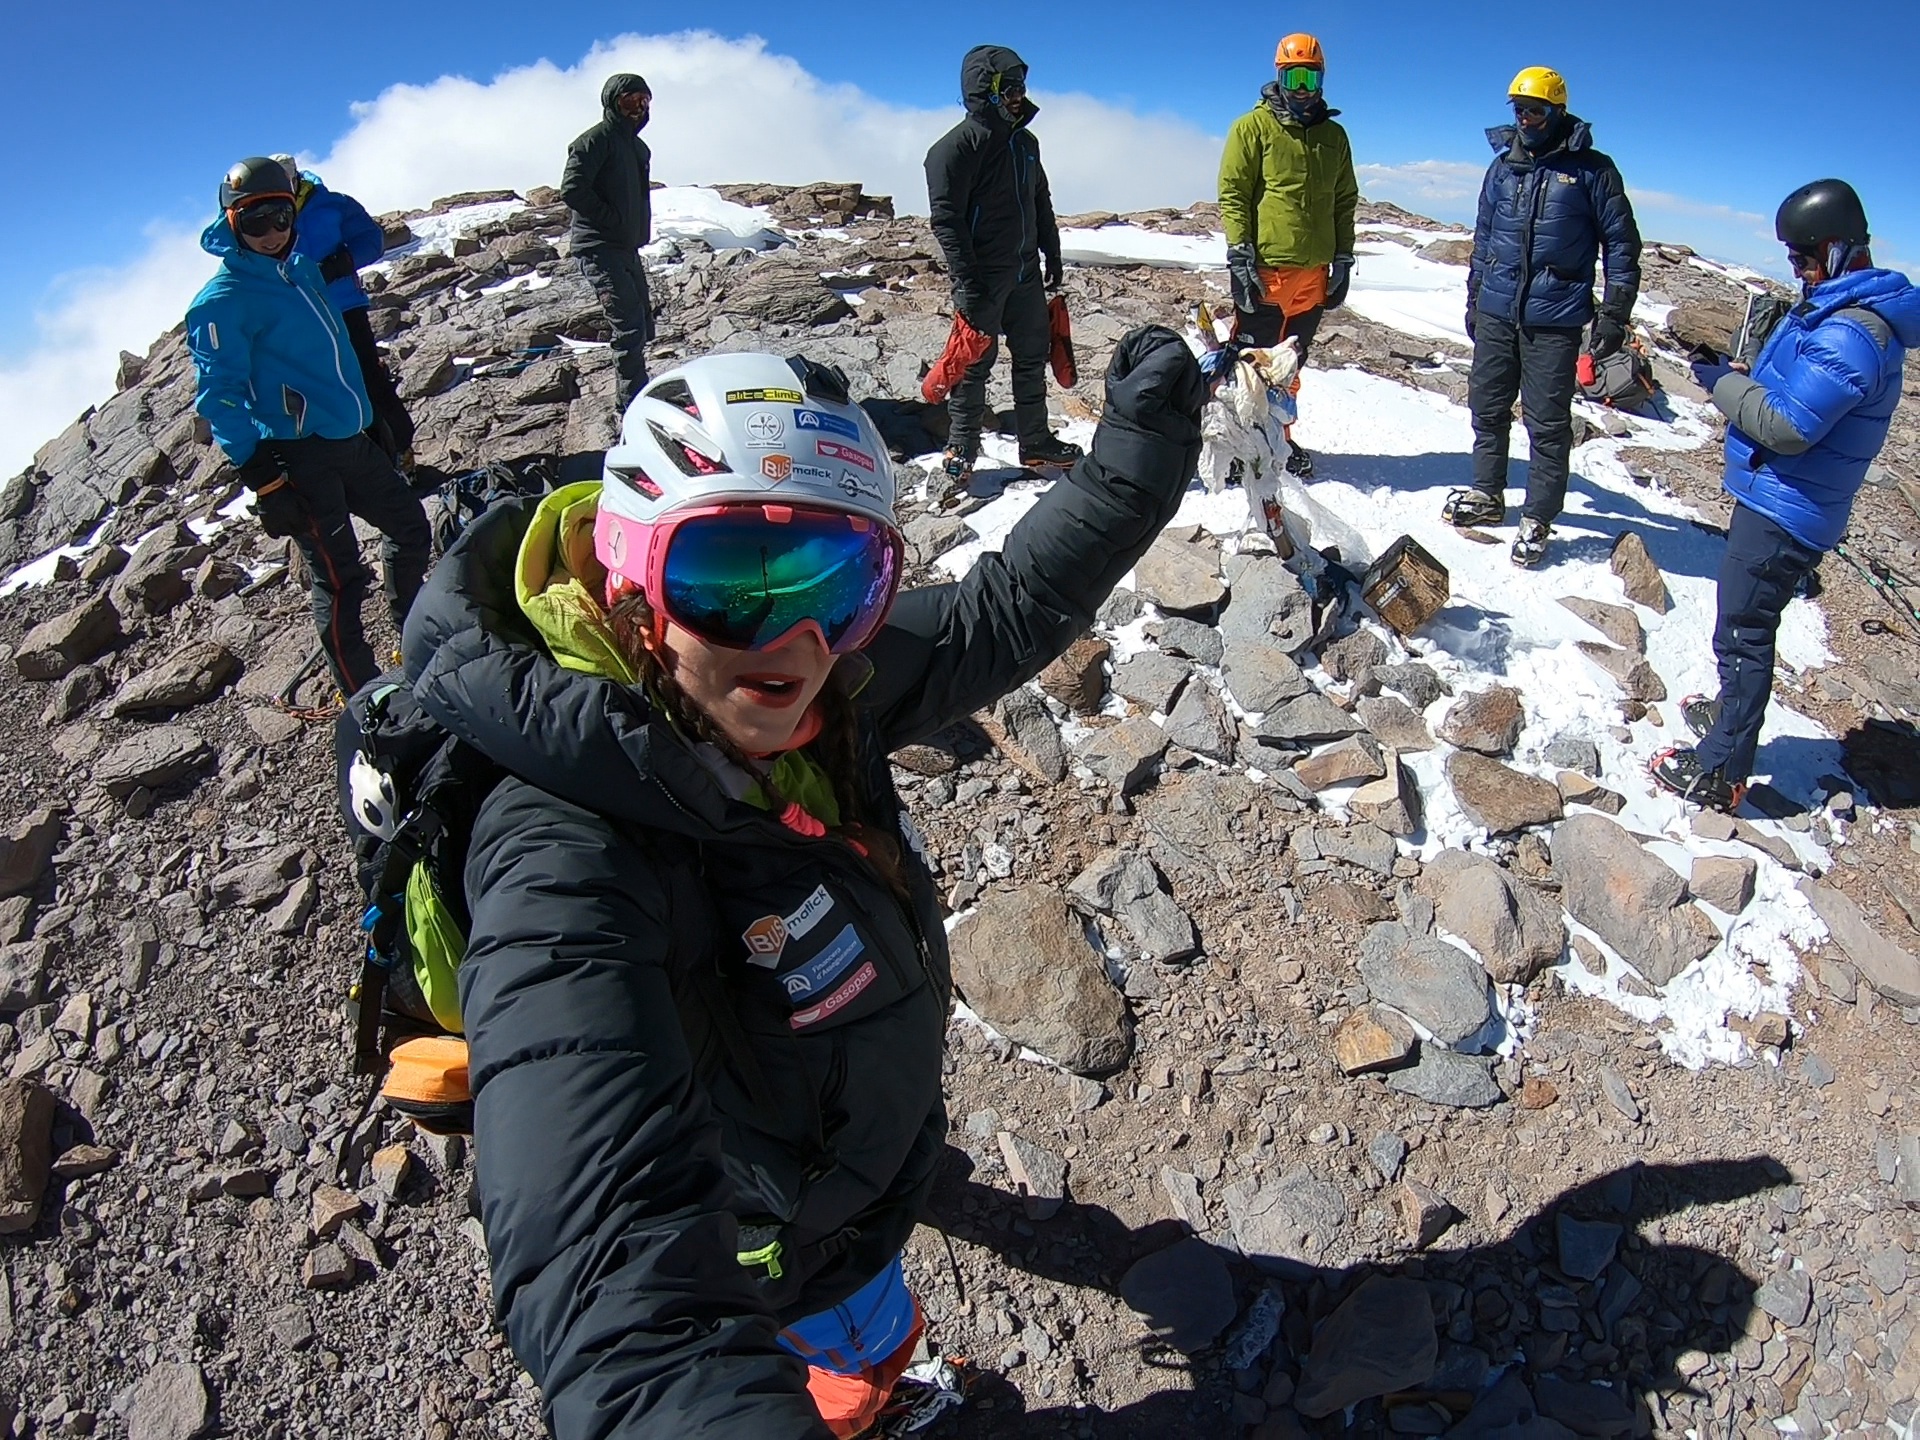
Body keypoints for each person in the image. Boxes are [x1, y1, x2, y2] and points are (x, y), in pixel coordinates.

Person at [397, 331, 1203, 1436]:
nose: (796, 640)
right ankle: (865, 1398)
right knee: (853, 1328)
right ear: (629, 574)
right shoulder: (559, 847)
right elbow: (609, 1273)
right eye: (728, 576)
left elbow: (995, 613)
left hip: (817, 1141)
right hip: (787, 1229)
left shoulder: (813, 693)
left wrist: (1136, 460)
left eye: (842, 577)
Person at [1653, 180, 1917, 812]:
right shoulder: (1839, 314)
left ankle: (1721, 768)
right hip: (1784, 499)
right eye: (1792, 254)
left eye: (1805, 253)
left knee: (1743, 632)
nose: (1796, 266)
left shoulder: (1853, 332)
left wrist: (1719, 384)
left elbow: (1788, 427)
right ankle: (1729, 718)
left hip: (1787, 508)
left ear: (1841, 246)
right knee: (1743, 624)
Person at [186, 157, 431, 697]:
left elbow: (339, 355)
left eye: (280, 217)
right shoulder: (221, 303)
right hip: (299, 456)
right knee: (340, 579)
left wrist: (370, 421)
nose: (271, 232)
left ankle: (415, 638)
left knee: (411, 528)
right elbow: (219, 398)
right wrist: (266, 483)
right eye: (255, 222)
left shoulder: (300, 269)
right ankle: (364, 698)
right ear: (231, 223)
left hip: (350, 439)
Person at [1448, 66, 1641, 568]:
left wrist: (1614, 315)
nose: (1526, 119)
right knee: (1487, 408)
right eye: (1519, 110)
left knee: (1547, 423)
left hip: (1554, 321)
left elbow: (1621, 246)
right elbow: (1484, 241)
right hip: (1497, 311)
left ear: (1557, 112)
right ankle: (1487, 495)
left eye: (1536, 110)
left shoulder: (1593, 171)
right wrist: (1475, 297)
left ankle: (1538, 517)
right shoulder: (1501, 169)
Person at [925, 45, 1084, 484]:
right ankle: (961, 447)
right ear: (986, 89)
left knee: (1032, 356)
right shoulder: (954, 149)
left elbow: (1039, 199)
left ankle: (1035, 443)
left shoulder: (1025, 143)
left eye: (1021, 85)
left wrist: (1051, 249)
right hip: (983, 276)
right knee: (974, 361)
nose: (1018, 94)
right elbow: (947, 221)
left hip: (1024, 272)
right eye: (1008, 86)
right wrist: (967, 280)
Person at [1216, 31, 1359, 479]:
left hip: (1314, 274)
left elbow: (1344, 200)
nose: (1301, 88)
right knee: (1251, 365)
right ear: (1278, 76)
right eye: (1292, 76)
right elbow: (1234, 192)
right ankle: (1242, 444)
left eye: (1309, 78)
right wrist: (1239, 254)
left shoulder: (1334, 136)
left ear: (1321, 81)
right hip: (1267, 270)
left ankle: (1279, 439)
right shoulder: (1252, 127)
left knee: (1291, 365)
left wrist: (1343, 258)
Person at [269, 154, 415, 464]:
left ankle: (399, 453)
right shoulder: (263, 213)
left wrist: (343, 262)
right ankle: (366, 464)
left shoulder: (332, 204)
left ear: (296, 178)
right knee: (327, 391)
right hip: (299, 317)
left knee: (367, 381)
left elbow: (371, 239)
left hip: (343, 307)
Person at [563, 73, 656, 412]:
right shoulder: (594, 140)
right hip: (599, 247)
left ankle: (638, 393)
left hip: (626, 247)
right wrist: (612, 221)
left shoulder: (637, 147)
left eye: (644, 102)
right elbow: (572, 189)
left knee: (643, 323)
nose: (637, 109)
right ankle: (630, 408)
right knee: (628, 325)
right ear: (613, 103)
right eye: (630, 102)